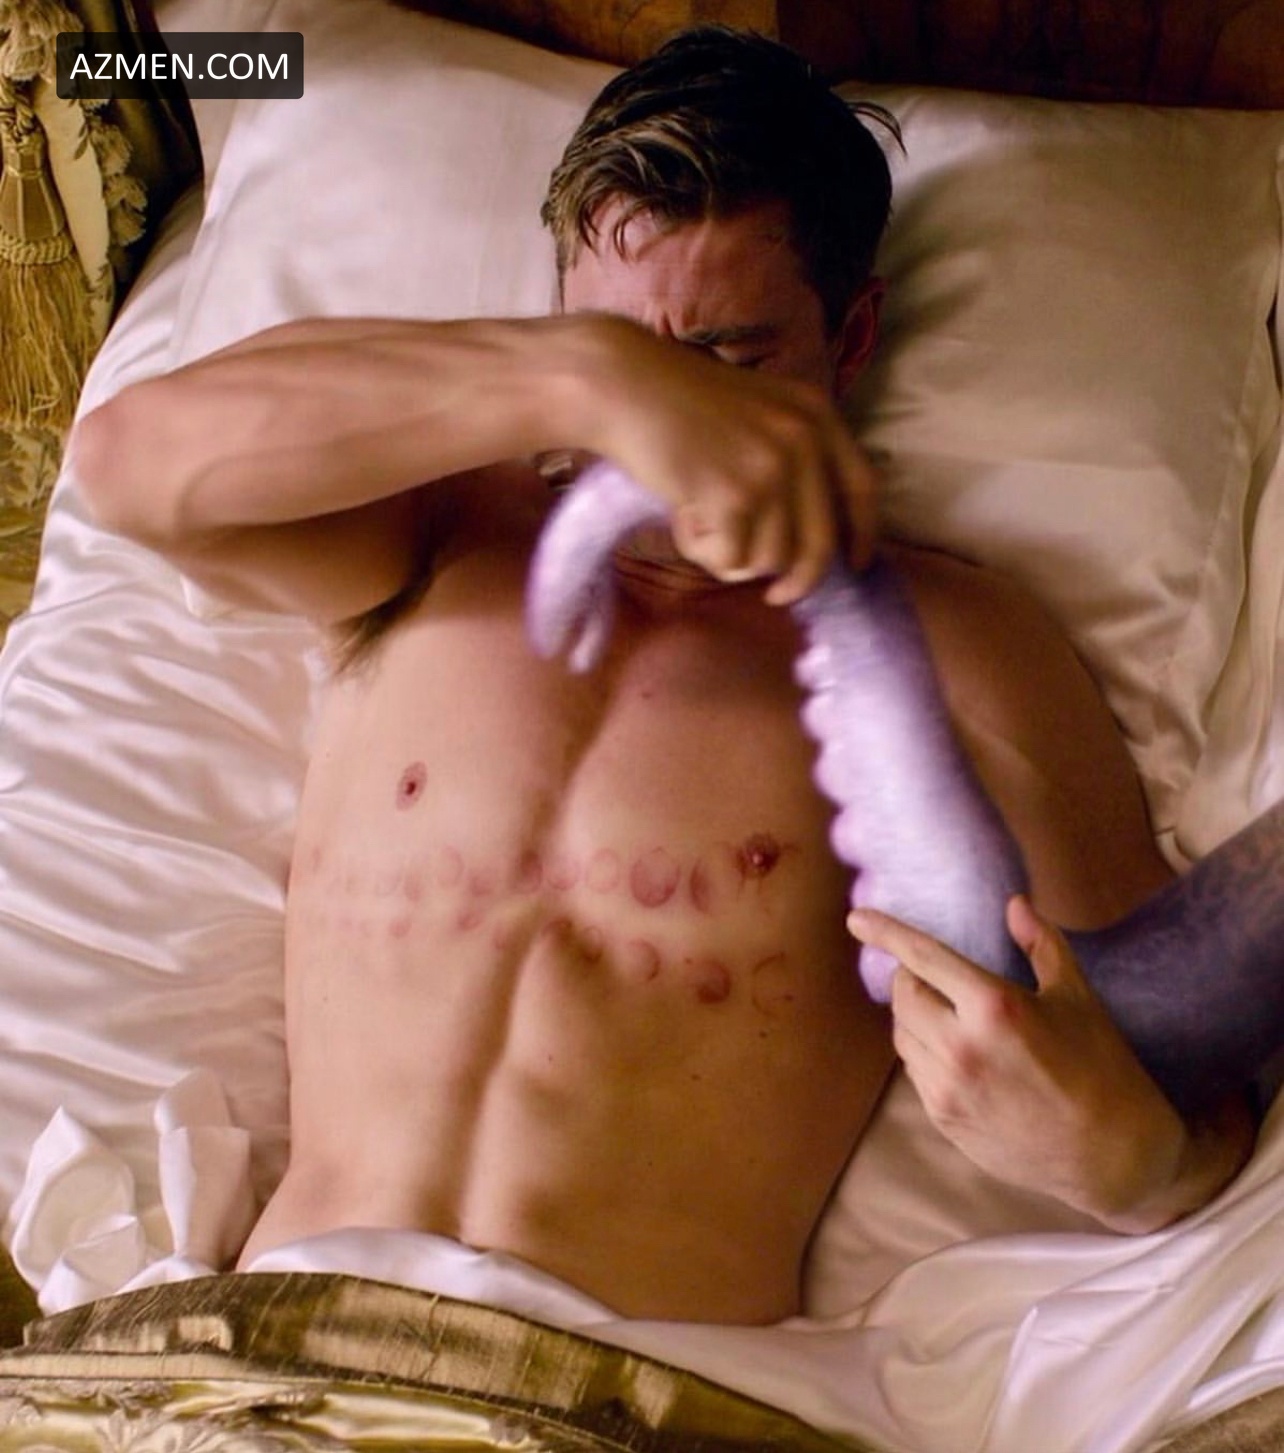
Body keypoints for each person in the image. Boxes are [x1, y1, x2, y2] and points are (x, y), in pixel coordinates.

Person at [71, 27, 1252, 1327]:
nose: (668, 436)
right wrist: (579, 380)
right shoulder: (435, 539)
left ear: (851, 336)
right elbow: (126, 467)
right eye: (624, 353)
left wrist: (1118, 1162)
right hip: (255, 1350)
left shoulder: (952, 643)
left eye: (730, 365)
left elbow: (1186, 1097)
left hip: (623, 1386)